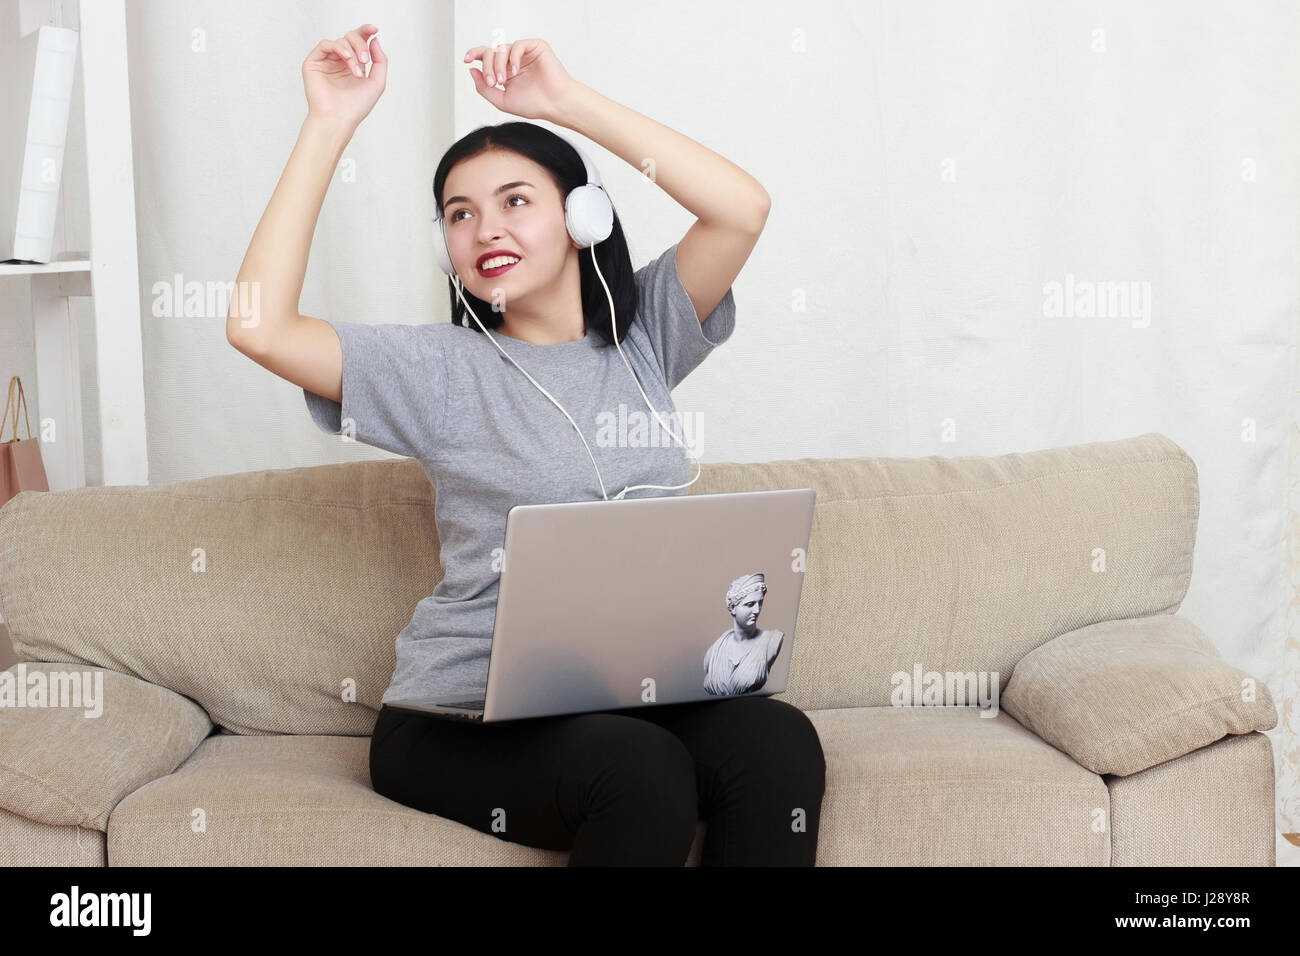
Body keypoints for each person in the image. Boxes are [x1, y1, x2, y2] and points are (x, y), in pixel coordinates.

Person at [227, 25, 825, 866]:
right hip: (459, 721)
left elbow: (742, 207)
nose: (482, 229)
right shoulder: (436, 370)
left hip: (627, 700)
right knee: (643, 770)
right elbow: (257, 326)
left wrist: (564, 103)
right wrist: (329, 122)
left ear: (583, 215)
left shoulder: (647, 333)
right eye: (459, 214)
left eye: (515, 200)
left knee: (777, 741)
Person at [703, 572, 785, 696]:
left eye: (760, 603)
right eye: (750, 604)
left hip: (751, 708)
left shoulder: (772, 641)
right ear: (733, 608)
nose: (757, 610)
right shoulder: (715, 650)